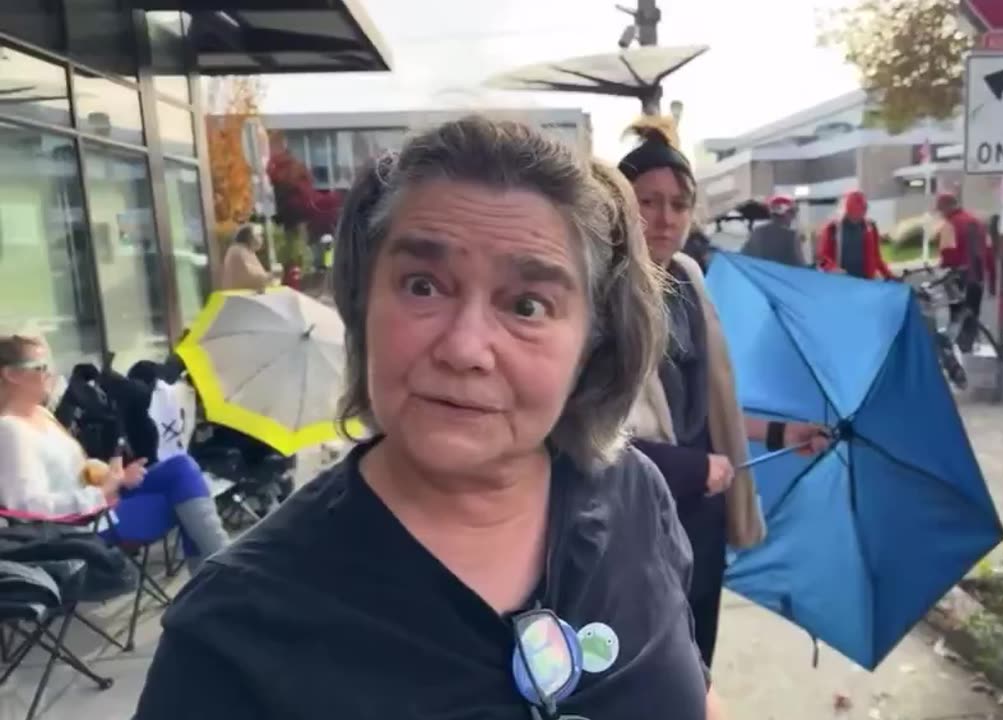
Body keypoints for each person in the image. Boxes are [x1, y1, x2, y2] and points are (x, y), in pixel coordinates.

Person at [136, 116, 725, 719]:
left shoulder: (633, 496)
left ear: (592, 342)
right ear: (364, 304)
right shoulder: (232, 632)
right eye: (423, 286)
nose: (465, 348)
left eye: (527, 305)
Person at [618, 116, 829, 668]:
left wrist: (781, 432)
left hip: (704, 521)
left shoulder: (688, 277)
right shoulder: (600, 295)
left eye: (679, 203)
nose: (665, 218)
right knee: (649, 672)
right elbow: (581, 436)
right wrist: (691, 469)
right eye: (648, 201)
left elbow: (713, 404)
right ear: (618, 204)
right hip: (637, 526)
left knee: (698, 659)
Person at [0, 335, 228, 571]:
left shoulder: (41, 414)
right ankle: (224, 572)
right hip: (82, 529)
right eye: (41, 367)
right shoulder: (9, 430)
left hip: (100, 506)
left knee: (181, 471)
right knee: (187, 495)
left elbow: (71, 473)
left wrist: (113, 476)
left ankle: (220, 573)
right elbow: (26, 508)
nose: (50, 374)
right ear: (11, 374)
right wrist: (100, 494)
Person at [934, 193, 996, 354]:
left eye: (941, 209)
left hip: (957, 279)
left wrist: (941, 275)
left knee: (957, 316)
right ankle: (970, 347)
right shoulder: (979, 224)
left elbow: (947, 255)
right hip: (977, 278)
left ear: (947, 207)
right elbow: (989, 253)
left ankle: (959, 352)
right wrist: (993, 281)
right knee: (972, 314)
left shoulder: (949, 225)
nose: (941, 213)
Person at [815, 191, 894, 279]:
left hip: (865, 282)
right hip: (841, 283)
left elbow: (877, 258)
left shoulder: (870, 227)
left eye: (862, 212)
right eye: (855, 214)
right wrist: (832, 268)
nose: (859, 217)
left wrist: (890, 276)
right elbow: (822, 259)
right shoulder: (833, 228)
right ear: (847, 211)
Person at [741, 194, 805, 266]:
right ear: (785, 213)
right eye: (792, 213)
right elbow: (801, 268)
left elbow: (743, 258)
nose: (793, 217)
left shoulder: (757, 232)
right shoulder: (791, 237)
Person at [220, 223, 272, 292]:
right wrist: (269, 277)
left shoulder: (244, 251)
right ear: (249, 237)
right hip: (239, 298)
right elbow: (249, 278)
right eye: (258, 235)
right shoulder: (239, 251)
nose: (261, 239)